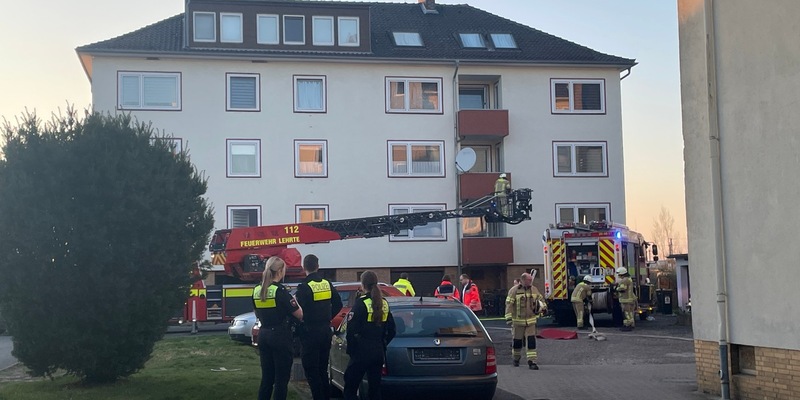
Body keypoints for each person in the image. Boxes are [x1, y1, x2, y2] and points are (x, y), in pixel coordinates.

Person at [252, 256, 303, 400]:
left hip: (264, 334)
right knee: (281, 380)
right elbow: (299, 315)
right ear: (280, 271)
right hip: (280, 336)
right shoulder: (280, 291)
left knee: (267, 379)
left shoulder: (257, 290)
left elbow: (257, 313)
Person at [295, 254, 343, 400]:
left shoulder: (303, 286)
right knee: (323, 370)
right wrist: (328, 317)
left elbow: (298, 312)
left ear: (304, 267)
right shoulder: (327, 283)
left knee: (311, 370)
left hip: (310, 332)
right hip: (325, 331)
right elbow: (338, 304)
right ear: (318, 266)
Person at [343, 271, 396, 400]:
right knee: (375, 389)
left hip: (361, 353)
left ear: (363, 284)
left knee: (350, 386)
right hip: (378, 352)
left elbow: (351, 330)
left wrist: (352, 350)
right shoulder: (384, 303)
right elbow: (392, 330)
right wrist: (382, 343)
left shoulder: (361, 303)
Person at [505, 272, 546, 370]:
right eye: (529, 280)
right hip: (518, 322)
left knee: (531, 341)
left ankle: (532, 361)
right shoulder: (514, 291)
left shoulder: (534, 289)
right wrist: (509, 318)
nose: (531, 281)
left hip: (530, 321)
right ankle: (516, 359)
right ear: (523, 280)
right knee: (517, 342)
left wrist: (543, 308)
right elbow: (509, 304)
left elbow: (541, 300)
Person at [615, 267, 638, 331]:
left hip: (626, 299)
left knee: (626, 313)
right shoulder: (629, 279)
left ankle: (627, 325)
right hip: (631, 299)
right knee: (630, 313)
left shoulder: (624, 280)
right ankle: (631, 324)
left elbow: (623, 288)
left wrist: (616, 288)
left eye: (619, 274)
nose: (618, 275)